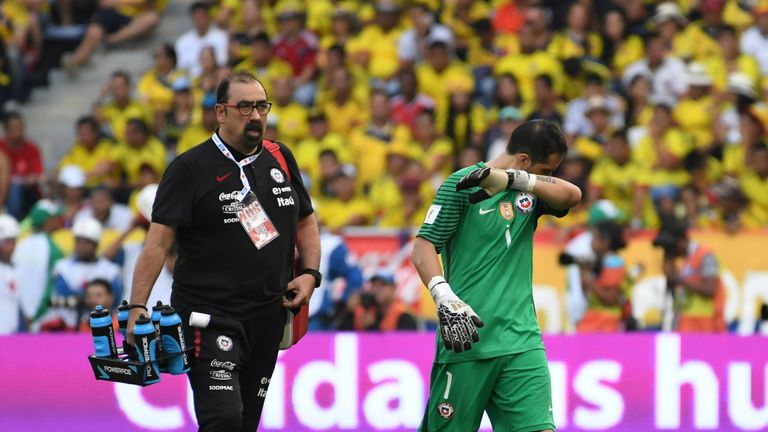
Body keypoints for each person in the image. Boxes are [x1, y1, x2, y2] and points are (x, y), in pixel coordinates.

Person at [126, 71, 320, 431]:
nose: (256, 116)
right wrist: (138, 304)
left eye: (261, 106)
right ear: (220, 112)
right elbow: (158, 241)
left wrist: (310, 274)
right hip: (209, 316)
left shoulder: (280, 157)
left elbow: (306, 221)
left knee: (245, 423)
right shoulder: (189, 168)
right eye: (244, 107)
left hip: (267, 316)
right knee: (224, 419)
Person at [411, 120, 581, 431]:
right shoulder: (461, 184)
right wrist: (443, 295)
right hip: (467, 338)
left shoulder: (531, 190)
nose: (549, 179)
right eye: (547, 170)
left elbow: (572, 195)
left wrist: (513, 179)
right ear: (524, 160)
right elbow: (423, 249)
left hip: (522, 340)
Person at [655, 216, 726, 332]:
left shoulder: (705, 255)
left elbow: (709, 289)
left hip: (707, 327)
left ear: (680, 241)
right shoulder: (683, 260)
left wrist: (678, 278)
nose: (670, 252)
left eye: (670, 247)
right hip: (686, 327)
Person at [344, 271, 418, 331]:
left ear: (393, 288)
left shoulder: (403, 317)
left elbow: (404, 346)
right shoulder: (364, 312)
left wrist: (371, 327)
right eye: (374, 285)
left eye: (383, 285)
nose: (377, 290)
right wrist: (348, 313)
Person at [0, 214, 20, 334]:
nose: (11, 247)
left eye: (13, 242)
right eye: (6, 242)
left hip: (11, 338)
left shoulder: (14, 269)